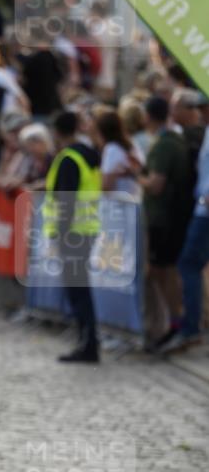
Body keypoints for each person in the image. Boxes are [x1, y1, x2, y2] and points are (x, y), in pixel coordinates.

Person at [44, 111, 102, 363]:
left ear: (57, 132)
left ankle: (88, 345)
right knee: (81, 290)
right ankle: (87, 341)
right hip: (86, 230)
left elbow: (65, 200)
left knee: (78, 292)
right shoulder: (87, 155)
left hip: (73, 233)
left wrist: (61, 233)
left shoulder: (69, 159)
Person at [140, 95, 194, 349]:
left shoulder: (165, 144)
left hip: (164, 218)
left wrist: (136, 176)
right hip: (171, 216)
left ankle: (175, 323)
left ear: (148, 116)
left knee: (165, 271)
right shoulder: (173, 140)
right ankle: (173, 322)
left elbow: (156, 185)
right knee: (163, 271)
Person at [160, 123, 209, 353]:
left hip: (205, 211)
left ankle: (191, 328)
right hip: (201, 208)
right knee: (189, 264)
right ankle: (191, 327)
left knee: (188, 264)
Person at [94, 109, 142, 199]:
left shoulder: (112, 149)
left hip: (119, 206)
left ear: (102, 133)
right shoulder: (132, 146)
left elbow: (106, 186)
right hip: (134, 199)